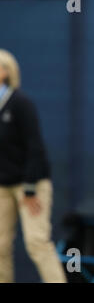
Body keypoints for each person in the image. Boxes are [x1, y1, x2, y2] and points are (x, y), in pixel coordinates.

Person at [0, 49, 67, 283]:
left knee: (37, 243)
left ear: (5, 72)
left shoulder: (20, 103)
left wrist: (29, 188)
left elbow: (35, 147)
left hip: (31, 186)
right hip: (2, 189)